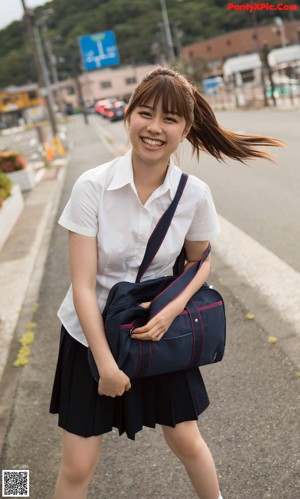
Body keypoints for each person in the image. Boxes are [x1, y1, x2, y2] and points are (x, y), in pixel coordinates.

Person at [50, 66, 282, 499]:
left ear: (186, 129)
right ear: (128, 115)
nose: (155, 128)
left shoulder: (194, 194)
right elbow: (82, 286)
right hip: (89, 337)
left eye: (170, 119)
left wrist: (171, 310)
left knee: (187, 440)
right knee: (77, 465)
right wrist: (106, 365)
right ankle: (13, 486)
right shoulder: (91, 187)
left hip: (156, 331)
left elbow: (200, 264)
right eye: (146, 113)